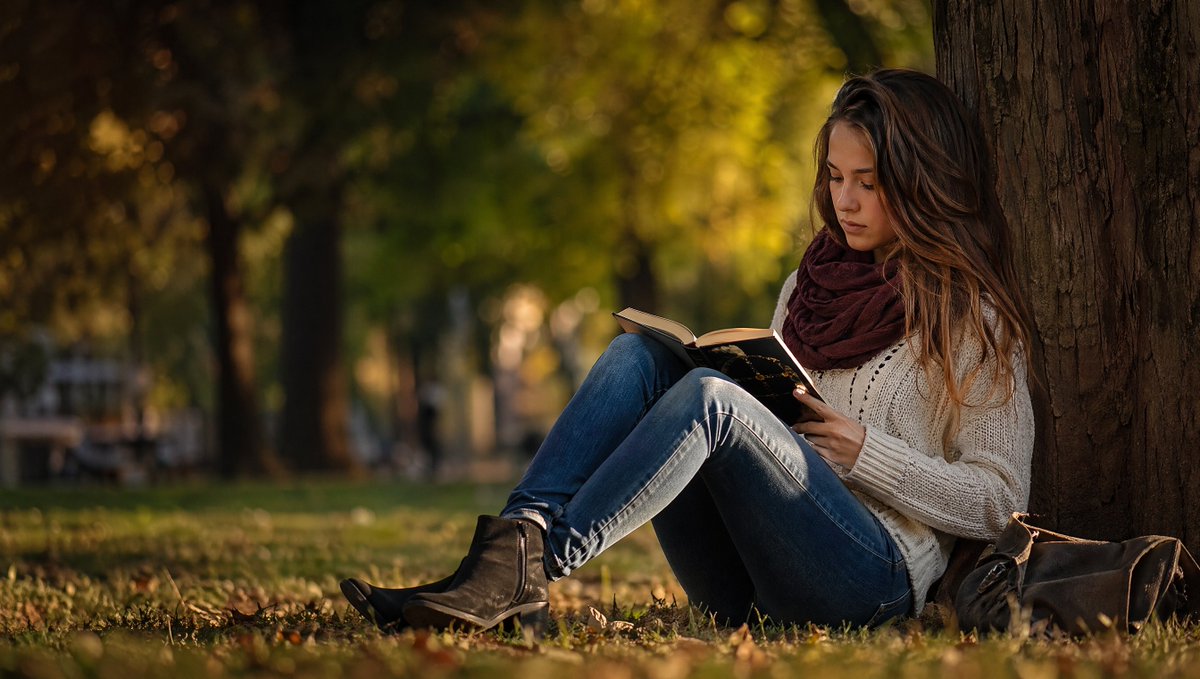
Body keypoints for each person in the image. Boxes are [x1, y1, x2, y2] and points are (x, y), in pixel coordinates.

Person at [340, 68, 1035, 633]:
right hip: (747, 577)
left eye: (868, 181)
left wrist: (864, 452)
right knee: (638, 356)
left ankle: (525, 569)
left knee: (712, 401)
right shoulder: (809, 284)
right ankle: (515, 541)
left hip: (870, 581)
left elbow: (1001, 500)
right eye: (834, 176)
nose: (843, 200)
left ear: (917, 180)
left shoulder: (971, 315)